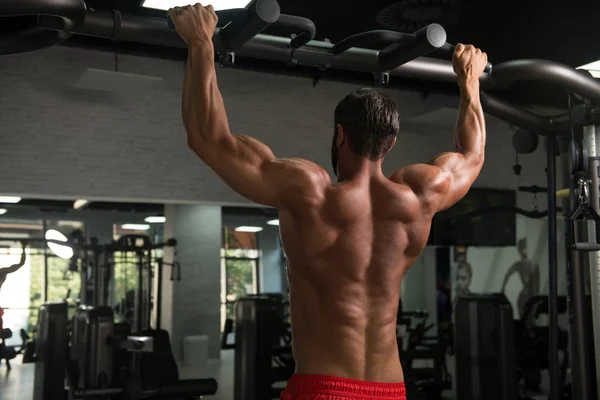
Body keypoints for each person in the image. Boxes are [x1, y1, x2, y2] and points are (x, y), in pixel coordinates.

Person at [169, 4, 488, 399]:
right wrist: (469, 81)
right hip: (390, 390)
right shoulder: (418, 198)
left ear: (340, 134)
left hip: (322, 387)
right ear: (389, 143)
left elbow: (207, 137)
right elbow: (472, 156)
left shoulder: (311, 193)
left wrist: (200, 42)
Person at [502, 237, 539, 319]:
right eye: (522, 248)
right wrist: (502, 289)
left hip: (531, 298)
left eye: (525, 247)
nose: (523, 250)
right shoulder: (519, 264)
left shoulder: (533, 265)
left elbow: (536, 287)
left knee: (530, 320)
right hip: (524, 298)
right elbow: (508, 274)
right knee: (525, 320)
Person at [0, 241, 27, 331]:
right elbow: (20, 264)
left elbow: (20, 264)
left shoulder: (2, 272)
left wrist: (24, 248)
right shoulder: (2, 272)